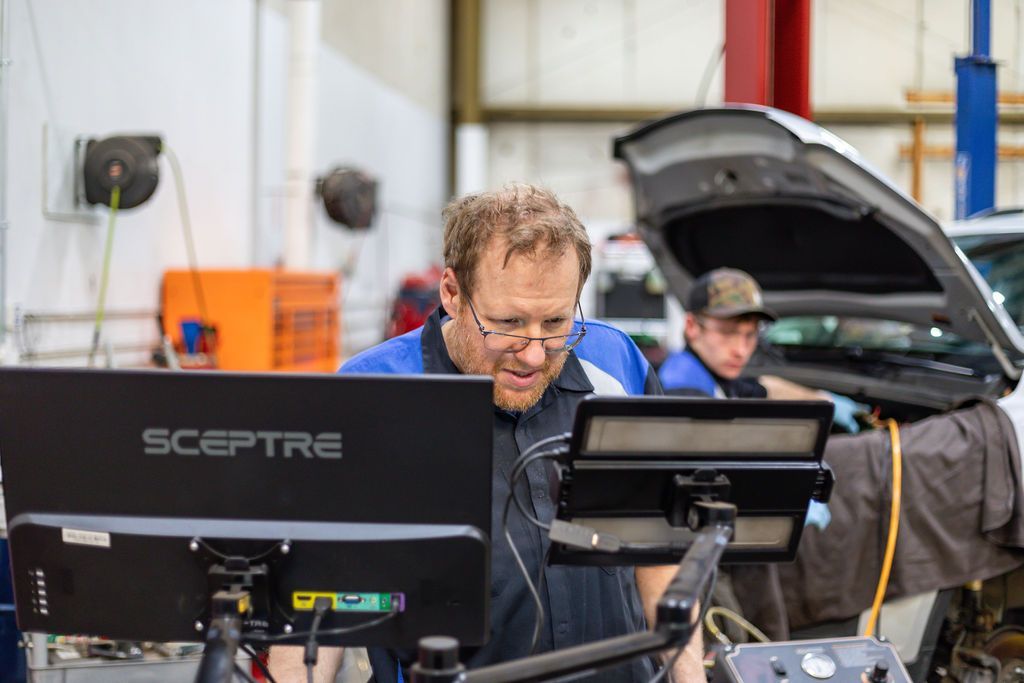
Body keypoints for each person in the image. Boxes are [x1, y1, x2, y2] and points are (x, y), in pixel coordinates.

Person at [269, 184, 704, 682]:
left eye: (557, 322)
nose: (535, 353)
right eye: (508, 323)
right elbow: (320, 591)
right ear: (452, 293)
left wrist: (689, 676)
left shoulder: (617, 364)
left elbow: (659, 550)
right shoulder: (374, 393)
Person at [658, 268, 866, 433]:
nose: (741, 350)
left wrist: (824, 400)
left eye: (750, 335)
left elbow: (764, 388)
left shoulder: (712, 374)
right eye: (728, 333)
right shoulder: (684, 389)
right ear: (692, 326)